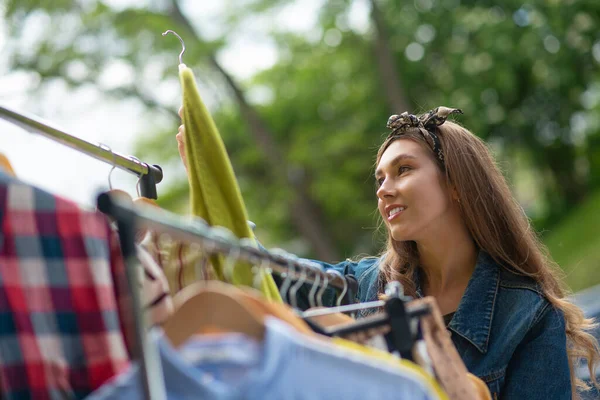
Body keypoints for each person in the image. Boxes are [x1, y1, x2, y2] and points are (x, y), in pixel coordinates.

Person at [175, 105, 600, 399]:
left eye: (404, 169)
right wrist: (209, 187)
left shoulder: (529, 317)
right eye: (380, 177)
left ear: (456, 184)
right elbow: (267, 273)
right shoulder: (363, 283)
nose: (383, 188)